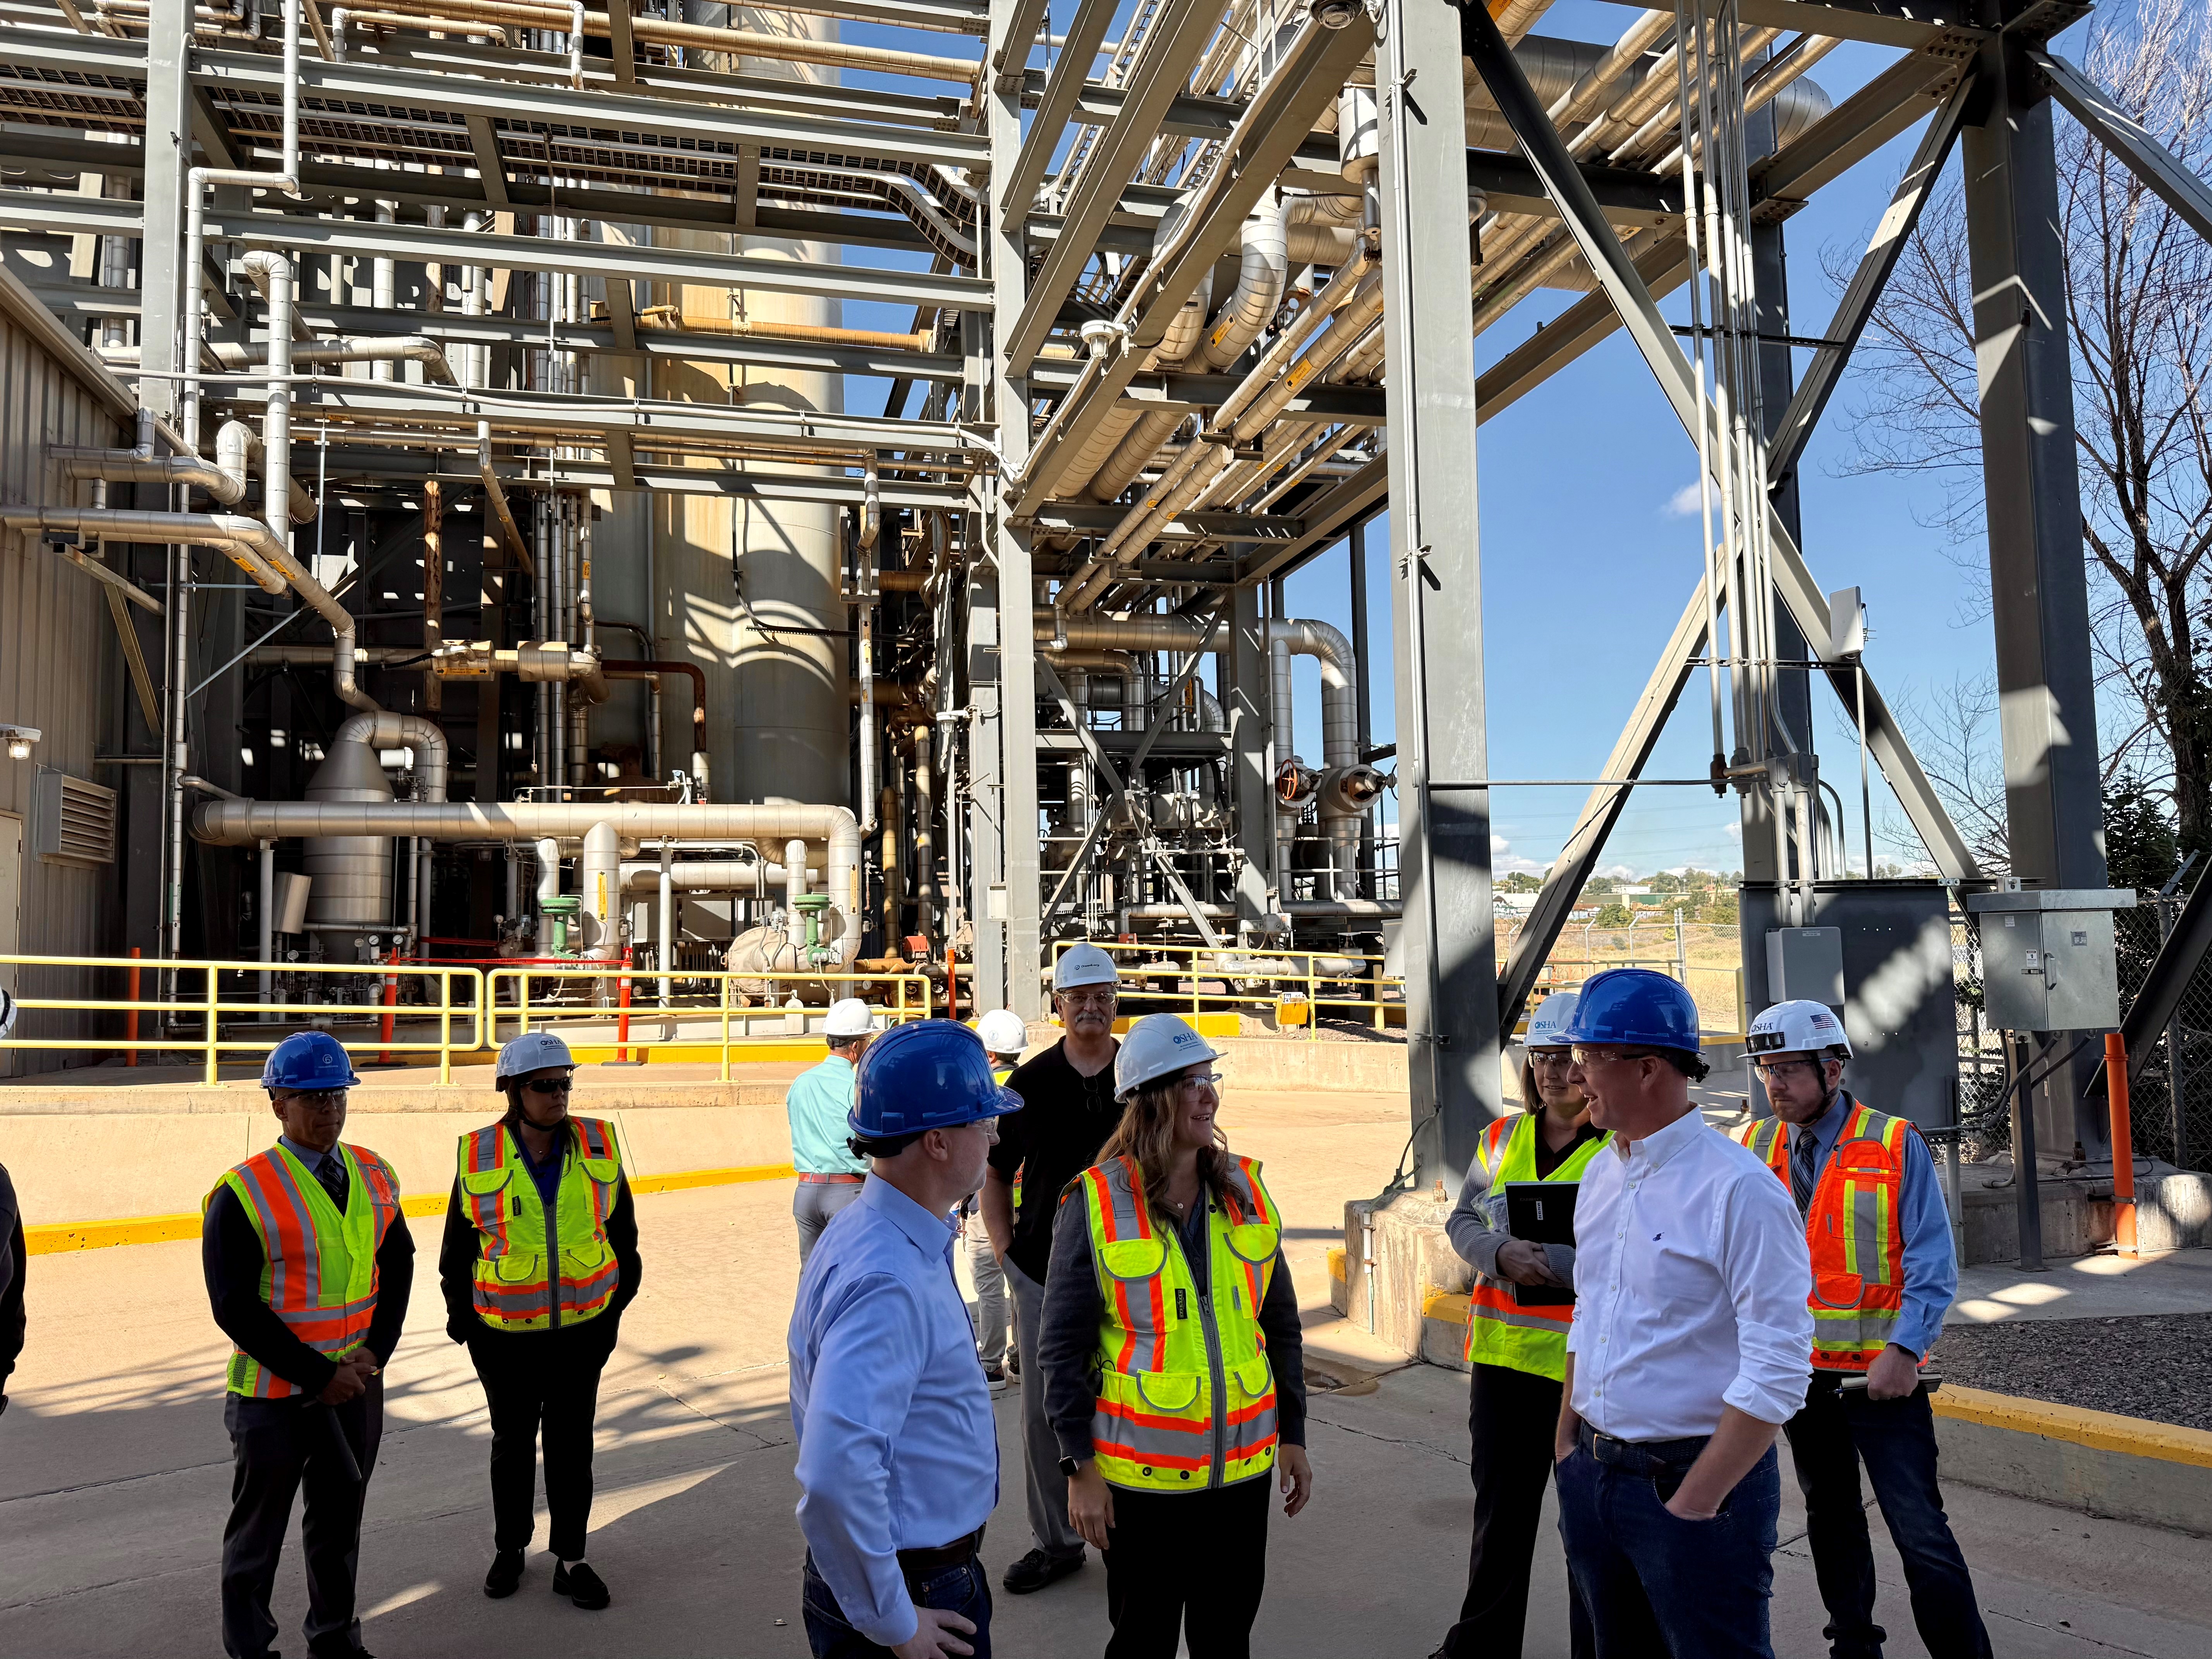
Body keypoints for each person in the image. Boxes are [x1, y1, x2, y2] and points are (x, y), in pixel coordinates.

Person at [1549, 969, 1813, 1659]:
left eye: (1589, 1056)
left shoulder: (1739, 1190)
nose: (1574, 1076)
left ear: (1647, 1068)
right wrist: (1567, 1446)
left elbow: (1780, 1368)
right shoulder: (1602, 1172)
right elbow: (1590, 1310)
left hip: (1692, 1489)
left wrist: (1694, 1502)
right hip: (1593, 1476)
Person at [1037, 1013, 1311, 1658]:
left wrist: (1294, 1434)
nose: (1208, 1095)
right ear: (1152, 1098)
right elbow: (1060, 1349)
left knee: (1226, 1641)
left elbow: (1280, 1325)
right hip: (1143, 1485)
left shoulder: (1246, 1191)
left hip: (1240, 1476)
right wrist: (1079, 1468)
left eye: (1211, 1079)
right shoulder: (1096, 1203)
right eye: (1192, 1082)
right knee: (1143, 1642)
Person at [1737, 999, 1988, 1659]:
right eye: (1766, 1069)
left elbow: (1932, 1261)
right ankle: (1853, 1647)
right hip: (1801, 1377)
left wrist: (1904, 1349)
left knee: (1919, 1529)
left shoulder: (1893, 1142)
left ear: (1833, 1068)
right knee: (1830, 1516)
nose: (1774, 1084)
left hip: (1882, 1378)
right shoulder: (1754, 1145)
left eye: (1789, 1069)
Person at [790, 1018, 1024, 1658]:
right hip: (915, 1584)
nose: (995, 1135)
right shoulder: (887, 1279)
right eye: (983, 1121)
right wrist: (896, 1621)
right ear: (938, 1142)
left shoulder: (881, 1232)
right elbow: (835, 1472)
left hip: (913, 1572)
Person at [202, 1031, 414, 1659]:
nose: (330, 1109)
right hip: (274, 1398)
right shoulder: (243, 1192)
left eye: (337, 1095)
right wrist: (320, 1374)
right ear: (278, 1104)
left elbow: (397, 1264)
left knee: (339, 1525)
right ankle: (251, 1652)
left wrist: (375, 1352)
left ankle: (335, 1641)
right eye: (313, 1097)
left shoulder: (375, 1173)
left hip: (354, 1390)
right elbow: (234, 1306)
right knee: (256, 1541)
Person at [440, 1030, 642, 1610]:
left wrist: (609, 1318)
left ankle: (571, 1559)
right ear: (513, 1091)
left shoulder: (599, 1147)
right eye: (545, 1086)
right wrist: (468, 1327)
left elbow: (624, 1240)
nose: (559, 1095)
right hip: (504, 1340)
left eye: (565, 1084)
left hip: (582, 1334)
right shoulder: (479, 1156)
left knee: (572, 1448)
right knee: (512, 1446)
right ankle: (511, 1549)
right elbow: (457, 1253)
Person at [1433, 991, 1602, 1659]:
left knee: (1589, 1531)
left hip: (1585, 1374)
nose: (1553, 1071)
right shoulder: (1502, 1138)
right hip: (1504, 1370)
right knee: (1499, 1522)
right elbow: (1462, 1219)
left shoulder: (1621, 1147)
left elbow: (1635, 1256)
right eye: (1541, 1057)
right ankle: (1479, 1650)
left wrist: (1551, 1264)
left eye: (1565, 1057)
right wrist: (1500, 1253)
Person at [980, 942, 1124, 1595]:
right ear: (1058, 1005)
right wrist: (1005, 1252)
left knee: (1129, 1399)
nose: (1089, 1007)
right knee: (1045, 1413)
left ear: (1114, 1002)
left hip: (1134, 1272)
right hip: (1042, 1271)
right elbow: (994, 1171)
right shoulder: (1028, 1086)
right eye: (1077, 998)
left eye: (1100, 996)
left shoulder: (1142, 1075)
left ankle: (1129, 1528)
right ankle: (1057, 1542)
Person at [964, 1008, 1027, 1388]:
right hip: (1026, 1202)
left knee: (988, 1285)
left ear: (989, 1054)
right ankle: (1020, 1360)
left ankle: (991, 1365)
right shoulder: (1031, 1088)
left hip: (986, 1201)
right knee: (1022, 1282)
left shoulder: (979, 1091)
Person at [788, 998, 876, 1267]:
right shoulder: (857, 1086)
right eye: (868, 1040)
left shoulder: (801, 1083)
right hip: (847, 1192)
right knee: (852, 1273)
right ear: (856, 1047)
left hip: (806, 1192)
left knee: (811, 1275)